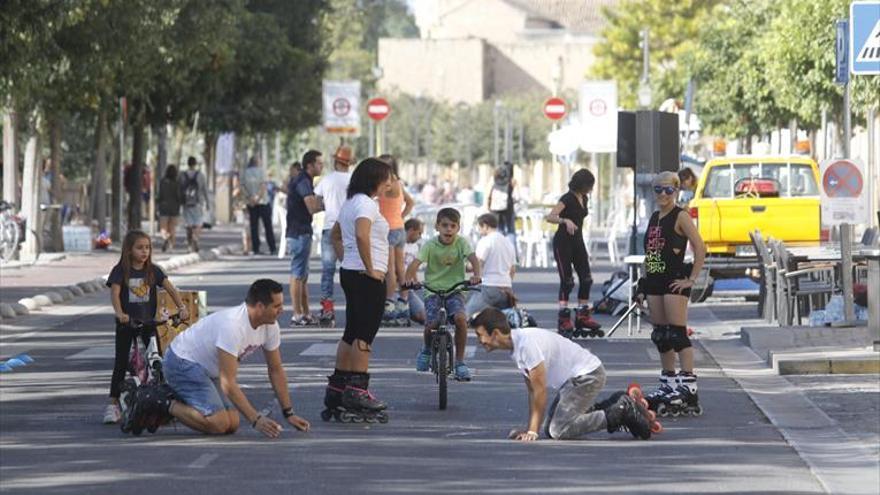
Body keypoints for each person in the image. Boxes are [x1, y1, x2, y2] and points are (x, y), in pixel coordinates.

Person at [122, 279, 311, 437]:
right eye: (277, 306)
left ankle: (171, 399)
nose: (282, 310)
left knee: (233, 423)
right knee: (219, 423)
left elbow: (275, 369)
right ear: (260, 306)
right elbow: (228, 382)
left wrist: (289, 413)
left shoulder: (270, 326)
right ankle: (157, 400)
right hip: (181, 362)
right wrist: (256, 419)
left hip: (206, 370)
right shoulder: (233, 326)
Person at [469, 308, 652, 441]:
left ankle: (620, 411)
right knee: (549, 429)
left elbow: (540, 391)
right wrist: (530, 430)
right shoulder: (517, 346)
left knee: (560, 430)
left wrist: (532, 432)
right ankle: (614, 402)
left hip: (586, 376)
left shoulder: (526, 346)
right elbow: (532, 392)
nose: (479, 341)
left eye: (480, 335)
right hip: (574, 381)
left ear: (494, 333)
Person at [324, 158, 393, 421]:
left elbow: (335, 236)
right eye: (386, 177)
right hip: (366, 276)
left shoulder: (351, 203)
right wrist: (372, 267)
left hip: (351, 273)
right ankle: (357, 391)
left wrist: (347, 260)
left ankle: (337, 388)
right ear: (374, 177)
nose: (389, 183)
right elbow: (363, 235)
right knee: (365, 334)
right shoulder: (365, 203)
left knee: (351, 331)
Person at [638, 171, 706, 416]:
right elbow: (651, 254)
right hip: (655, 280)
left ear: (676, 191)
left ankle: (688, 387)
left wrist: (691, 279)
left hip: (674, 279)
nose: (663, 194)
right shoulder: (655, 217)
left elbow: (700, 247)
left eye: (669, 190)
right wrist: (642, 285)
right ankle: (668, 383)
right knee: (661, 335)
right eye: (658, 190)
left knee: (677, 334)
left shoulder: (681, 216)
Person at [103, 230, 189, 424]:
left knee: (156, 361)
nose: (144, 252)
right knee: (120, 363)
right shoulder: (120, 271)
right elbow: (115, 294)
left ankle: (160, 402)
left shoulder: (153, 271)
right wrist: (119, 313)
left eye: (147, 248)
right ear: (129, 250)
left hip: (148, 324)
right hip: (127, 324)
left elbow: (171, 289)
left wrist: (182, 308)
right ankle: (113, 404)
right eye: (139, 248)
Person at [404, 207, 481, 381]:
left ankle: (460, 363)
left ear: (458, 228)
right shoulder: (430, 245)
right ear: (437, 226)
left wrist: (476, 275)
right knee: (431, 323)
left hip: (455, 290)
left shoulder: (462, 243)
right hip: (432, 291)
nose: (449, 229)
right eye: (445, 225)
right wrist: (410, 280)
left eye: (453, 226)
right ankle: (426, 349)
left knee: (461, 320)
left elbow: (474, 259)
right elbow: (415, 264)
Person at [545, 169, 601, 338]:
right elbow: (550, 216)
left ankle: (582, 315)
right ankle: (563, 317)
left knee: (586, 278)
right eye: (589, 185)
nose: (590, 189)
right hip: (563, 243)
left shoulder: (584, 198)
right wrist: (565, 220)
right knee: (567, 280)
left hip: (578, 242)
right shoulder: (567, 198)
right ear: (581, 184)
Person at [314, 146, 353, 324]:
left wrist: (328, 206)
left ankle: (327, 309)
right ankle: (354, 304)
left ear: (336, 161)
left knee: (328, 270)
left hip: (330, 227)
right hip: (349, 229)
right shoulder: (355, 181)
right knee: (351, 269)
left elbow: (317, 203)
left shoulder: (326, 180)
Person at [286, 150, 324, 326]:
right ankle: (296, 314)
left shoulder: (305, 180)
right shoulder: (303, 181)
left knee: (303, 275)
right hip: (298, 232)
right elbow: (311, 207)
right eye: (319, 163)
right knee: (297, 273)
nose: (321, 166)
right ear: (309, 165)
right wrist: (328, 202)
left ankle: (306, 313)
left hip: (302, 231)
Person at [377, 154, 415, 325]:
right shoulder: (398, 183)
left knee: (390, 270)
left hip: (389, 230)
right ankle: (404, 302)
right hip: (399, 227)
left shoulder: (387, 184)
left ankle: (390, 303)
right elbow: (410, 202)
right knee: (401, 269)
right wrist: (401, 216)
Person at [464, 213, 516, 316]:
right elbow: (513, 269)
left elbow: (478, 263)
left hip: (489, 286)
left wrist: (465, 267)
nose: (479, 230)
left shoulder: (486, 241)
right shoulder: (508, 242)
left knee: (466, 316)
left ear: (485, 226)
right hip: (506, 289)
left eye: (479, 227)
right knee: (501, 320)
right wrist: (506, 282)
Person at [242, 156, 277, 255]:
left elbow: (242, 187)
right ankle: (272, 248)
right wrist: (257, 197)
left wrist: (250, 198)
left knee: (254, 226)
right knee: (267, 226)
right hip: (263, 202)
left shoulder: (244, 173)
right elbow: (263, 186)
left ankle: (256, 248)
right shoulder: (262, 172)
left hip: (251, 203)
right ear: (257, 162)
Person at [180, 156, 208, 253]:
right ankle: (196, 237)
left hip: (186, 203)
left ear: (187, 163)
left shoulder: (182, 175)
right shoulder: (201, 175)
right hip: (198, 202)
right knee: (198, 223)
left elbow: (179, 189)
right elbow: (205, 190)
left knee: (189, 224)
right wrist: (207, 203)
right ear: (195, 164)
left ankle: (189, 244)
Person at [402, 218, 426, 325]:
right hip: (394, 288)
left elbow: (413, 268)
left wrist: (416, 281)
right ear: (411, 230)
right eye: (419, 233)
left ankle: (406, 311)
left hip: (408, 289)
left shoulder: (415, 247)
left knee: (424, 317)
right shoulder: (399, 244)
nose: (420, 236)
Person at [487, 163, 517, 244]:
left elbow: (488, 194)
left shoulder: (493, 179)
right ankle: (512, 251)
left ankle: (499, 249)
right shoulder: (512, 181)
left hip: (495, 209)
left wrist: (488, 206)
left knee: (499, 229)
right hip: (508, 209)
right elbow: (516, 196)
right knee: (510, 231)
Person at [157, 165, 183, 252]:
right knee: (172, 228)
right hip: (174, 207)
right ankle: (171, 246)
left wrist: (158, 203)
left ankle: (166, 237)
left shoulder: (162, 181)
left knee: (163, 228)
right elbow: (179, 195)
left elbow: (160, 194)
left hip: (164, 207)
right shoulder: (177, 182)